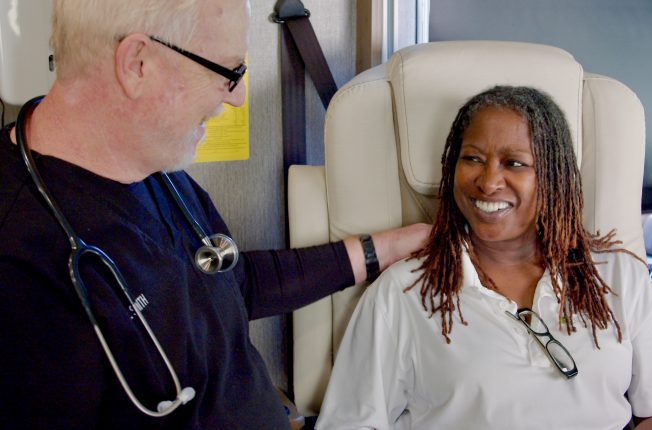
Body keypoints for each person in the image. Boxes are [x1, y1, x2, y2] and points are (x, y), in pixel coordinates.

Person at [0, 0, 429, 428]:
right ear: (138, 63)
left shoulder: (149, 167)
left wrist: (384, 249)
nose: (240, 97)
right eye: (228, 72)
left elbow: (228, 283)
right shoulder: (22, 270)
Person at [316, 86, 652, 430]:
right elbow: (351, 422)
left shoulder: (618, 276)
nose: (489, 182)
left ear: (554, 178)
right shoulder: (404, 293)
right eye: (473, 158)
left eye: (514, 163)